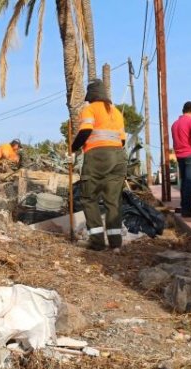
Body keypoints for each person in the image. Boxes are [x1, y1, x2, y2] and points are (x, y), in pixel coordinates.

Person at [70, 78, 127, 251]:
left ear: (91, 96)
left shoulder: (90, 109)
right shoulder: (116, 112)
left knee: (89, 198)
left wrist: (73, 149)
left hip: (97, 157)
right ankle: (115, 243)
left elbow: (86, 130)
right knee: (113, 201)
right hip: (119, 157)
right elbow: (123, 140)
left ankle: (97, 242)